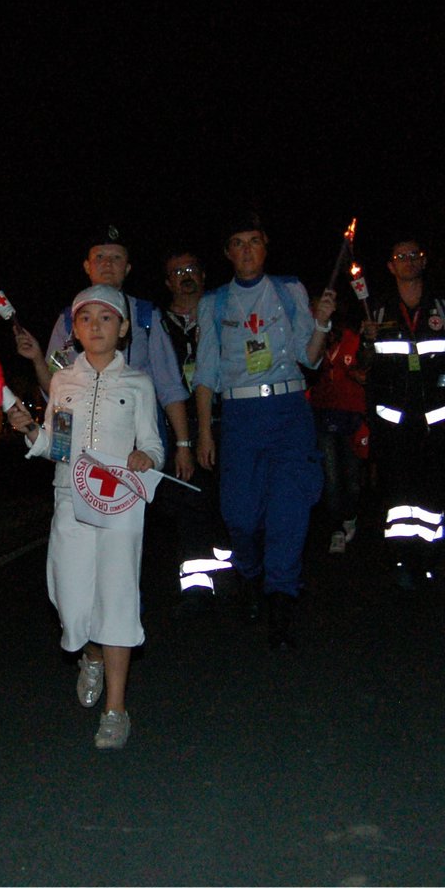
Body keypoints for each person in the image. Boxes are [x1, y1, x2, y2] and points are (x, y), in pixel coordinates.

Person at [16, 284, 163, 748]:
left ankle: (116, 709)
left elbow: (153, 445)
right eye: (85, 319)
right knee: (71, 598)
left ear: (122, 329)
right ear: (74, 330)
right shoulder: (62, 382)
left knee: (118, 599)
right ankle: (92, 653)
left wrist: (147, 458)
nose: (95, 326)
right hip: (70, 500)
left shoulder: (138, 383)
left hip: (121, 502)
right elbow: (58, 448)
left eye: (106, 318)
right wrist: (32, 431)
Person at [192, 221, 332, 649]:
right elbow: (205, 375)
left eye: (254, 242)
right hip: (240, 416)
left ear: (265, 246)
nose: (247, 250)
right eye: (238, 244)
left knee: (289, 514)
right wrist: (203, 433)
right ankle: (251, 578)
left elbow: (310, 359)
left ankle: (281, 610)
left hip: (289, 411)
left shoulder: (290, 291)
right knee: (241, 516)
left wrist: (322, 323)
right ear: (228, 253)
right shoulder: (214, 303)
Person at [14, 230, 196, 484]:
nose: (108, 264)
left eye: (116, 257)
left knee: (131, 512)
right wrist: (35, 359)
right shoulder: (69, 321)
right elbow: (56, 388)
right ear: (87, 266)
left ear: (128, 267)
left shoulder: (146, 316)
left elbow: (169, 387)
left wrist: (183, 445)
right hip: (80, 445)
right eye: (100, 256)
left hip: (135, 443)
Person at [361, 239, 445, 590]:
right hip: (392, 422)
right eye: (401, 257)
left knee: (432, 492)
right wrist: (367, 341)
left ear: (423, 262)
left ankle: (428, 558)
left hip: (435, 419)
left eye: (414, 256)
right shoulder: (376, 310)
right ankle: (402, 558)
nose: (408, 262)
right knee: (397, 494)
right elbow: (365, 367)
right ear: (390, 266)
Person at [159, 249, 233, 610]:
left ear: (203, 275)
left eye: (191, 269)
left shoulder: (223, 311)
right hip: (180, 424)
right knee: (189, 498)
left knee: (227, 498)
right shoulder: (156, 323)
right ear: (167, 281)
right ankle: (196, 583)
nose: (184, 276)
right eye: (176, 271)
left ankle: (229, 565)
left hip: (226, 418)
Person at [307, 318, 368, 555]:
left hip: (352, 416)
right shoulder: (313, 339)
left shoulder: (353, 339)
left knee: (352, 477)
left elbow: (365, 369)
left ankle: (350, 516)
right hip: (323, 415)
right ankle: (336, 530)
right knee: (330, 476)